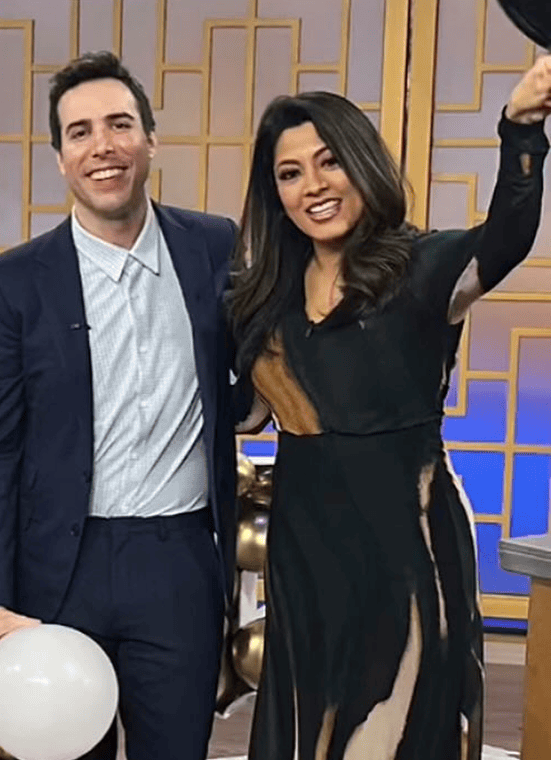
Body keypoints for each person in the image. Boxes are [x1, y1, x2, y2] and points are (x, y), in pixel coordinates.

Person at [228, 59, 551, 758]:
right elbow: (243, 414)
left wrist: (521, 130)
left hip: (408, 552)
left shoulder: (424, 269)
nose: (313, 185)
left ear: (363, 164)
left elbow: (507, 237)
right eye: (290, 173)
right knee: (303, 736)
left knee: (396, 736)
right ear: (273, 191)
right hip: (304, 561)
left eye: (330, 161)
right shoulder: (264, 300)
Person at [0, 51, 245, 760]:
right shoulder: (10, 283)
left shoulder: (215, 247)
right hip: (57, 566)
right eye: (80, 132)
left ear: (150, 139)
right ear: (60, 158)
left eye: (120, 125)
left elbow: (256, 371)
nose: (103, 147)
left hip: (178, 562)